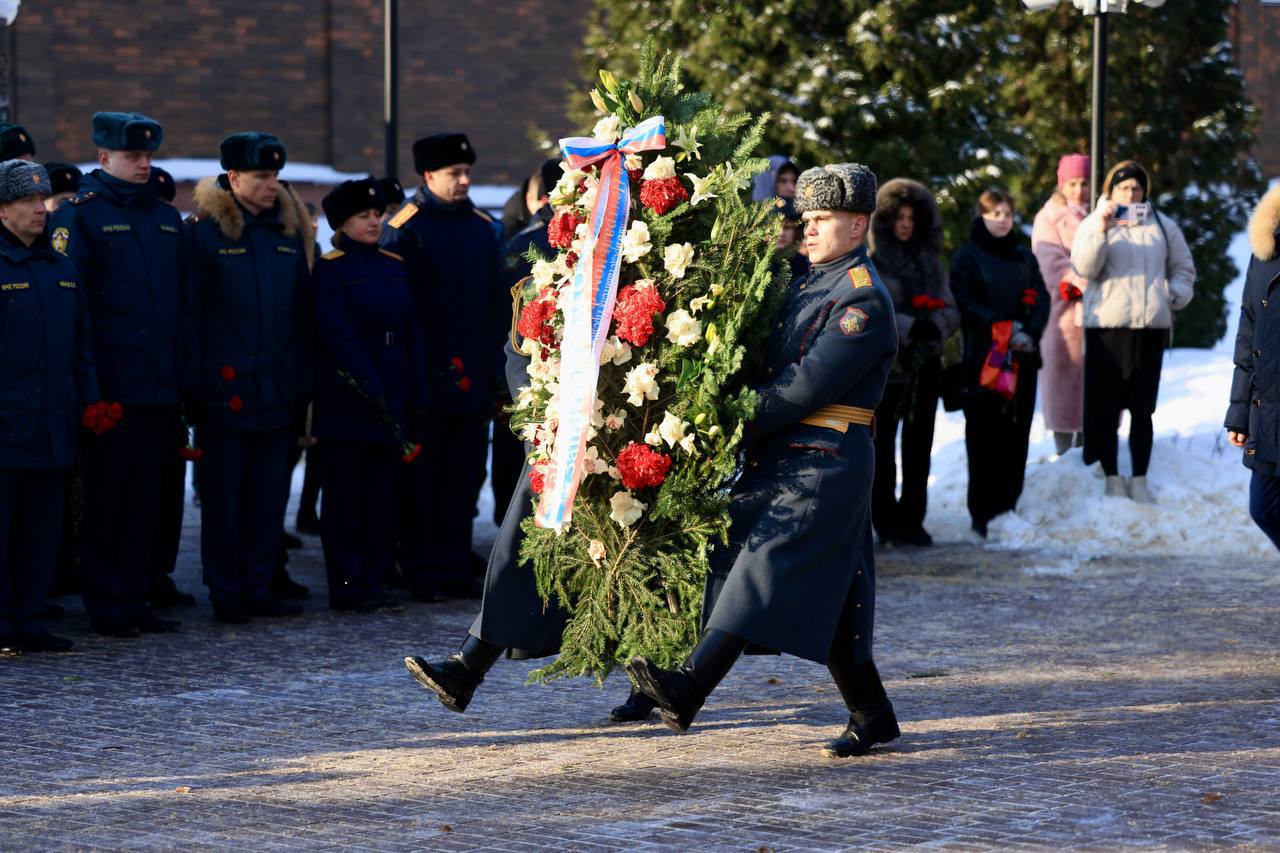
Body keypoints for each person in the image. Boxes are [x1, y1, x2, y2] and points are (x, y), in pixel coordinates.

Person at [625, 163, 902, 758]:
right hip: (786, 454)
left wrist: (728, 417)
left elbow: (806, 386)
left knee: (764, 562)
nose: (807, 228)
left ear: (858, 224)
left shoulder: (862, 301)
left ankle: (690, 686)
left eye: (822, 220)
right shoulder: (806, 283)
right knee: (838, 592)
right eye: (806, 218)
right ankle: (872, 712)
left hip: (825, 459)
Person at [50, 112, 191, 635]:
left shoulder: (162, 217)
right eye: (133, 157)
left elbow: (181, 303)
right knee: (107, 500)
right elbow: (75, 308)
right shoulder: (80, 216)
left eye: (148, 156)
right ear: (104, 157)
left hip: (157, 382)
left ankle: (135, 595)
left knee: (145, 500)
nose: (143, 165)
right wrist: (88, 390)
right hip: (110, 385)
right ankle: (106, 601)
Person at [185, 132, 314, 623]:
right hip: (226, 392)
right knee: (224, 499)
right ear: (234, 178)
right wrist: (197, 387)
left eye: (275, 177)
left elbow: (301, 315)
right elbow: (191, 315)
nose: (271, 186)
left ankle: (258, 584)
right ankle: (227, 591)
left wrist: (301, 382)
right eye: (261, 177)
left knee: (267, 497)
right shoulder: (205, 235)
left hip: (277, 389)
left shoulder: (285, 232)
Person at [380, 132, 504, 600]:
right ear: (428, 175)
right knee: (423, 482)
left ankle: (454, 565)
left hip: (471, 379)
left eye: (467, 172)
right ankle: (421, 568)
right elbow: (401, 312)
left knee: (465, 477)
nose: (464, 180)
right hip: (426, 379)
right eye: (454, 173)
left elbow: (495, 308)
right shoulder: (406, 228)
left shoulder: (480, 227)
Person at [312, 177, 428, 612]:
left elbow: (412, 332)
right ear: (342, 222)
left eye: (377, 214)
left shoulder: (392, 263)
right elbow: (338, 336)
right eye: (364, 216)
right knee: (346, 499)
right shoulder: (331, 268)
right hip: (351, 401)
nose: (374, 221)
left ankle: (374, 579)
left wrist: (416, 393)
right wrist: (372, 389)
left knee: (380, 497)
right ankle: (347, 583)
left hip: (392, 401)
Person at [0, 160, 98, 655]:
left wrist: (89, 400)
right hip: (5, 426)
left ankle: (30, 619)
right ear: (2, 209)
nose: (41, 209)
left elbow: (82, 343)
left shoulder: (60, 268)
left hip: (51, 423)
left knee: (41, 532)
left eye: (42, 200)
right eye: (27, 202)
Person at [1071, 160, 1195, 503]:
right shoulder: (1094, 224)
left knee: (1143, 409)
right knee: (1107, 409)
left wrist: (1174, 294)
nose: (1130, 193)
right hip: (1107, 329)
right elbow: (1084, 267)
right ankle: (1112, 477)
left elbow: (1184, 267)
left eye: (1136, 188)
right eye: (1123, 188)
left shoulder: (1162, 224)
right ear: (1110, 191)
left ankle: (1139, 478)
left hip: (1149, 328)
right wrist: (1102, 227)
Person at [950, 189, 1050, 538]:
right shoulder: (968, 255)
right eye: (995, 214)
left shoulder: (1025, 257)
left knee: (1016, 436)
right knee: (983, 438)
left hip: (1022, 356)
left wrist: (1030, 329)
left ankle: (1009, 506)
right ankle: (982, 513)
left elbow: (1042, 297)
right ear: (981, 217)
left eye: (1008, 214)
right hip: (984, 359)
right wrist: (998, 325)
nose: (1003, 220)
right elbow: (962, 298)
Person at [868, 178, 959, 548]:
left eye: (911, 217)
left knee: (920, 446)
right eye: (899, 217)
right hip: (890, 370)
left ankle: (913, 519)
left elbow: (951, 308)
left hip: (926, 365)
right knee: (884, 449)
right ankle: (886, 520)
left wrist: (933, 329)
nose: (905, 224)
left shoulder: (933, 266)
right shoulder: (874, 263)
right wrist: (909, 327)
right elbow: (873, 306)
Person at [1227, 183, 1280, 550]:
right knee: (1263, 508)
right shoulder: (1263, 254)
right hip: (1269, 411)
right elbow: (1247, 335)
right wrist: (1239, 412)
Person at [1032, 154, 1091, 456]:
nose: (1079, 190)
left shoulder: (1101, 213)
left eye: (1084, 183)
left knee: (1093, 390)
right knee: (1063, 387)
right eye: (1073, 183)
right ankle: (1064, 451)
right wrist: (1088, 281)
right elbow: (1050, 263)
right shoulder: (1049, 217)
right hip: (1063, 315)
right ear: (1061, 183)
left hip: (1098, 316)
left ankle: (1091, 448)